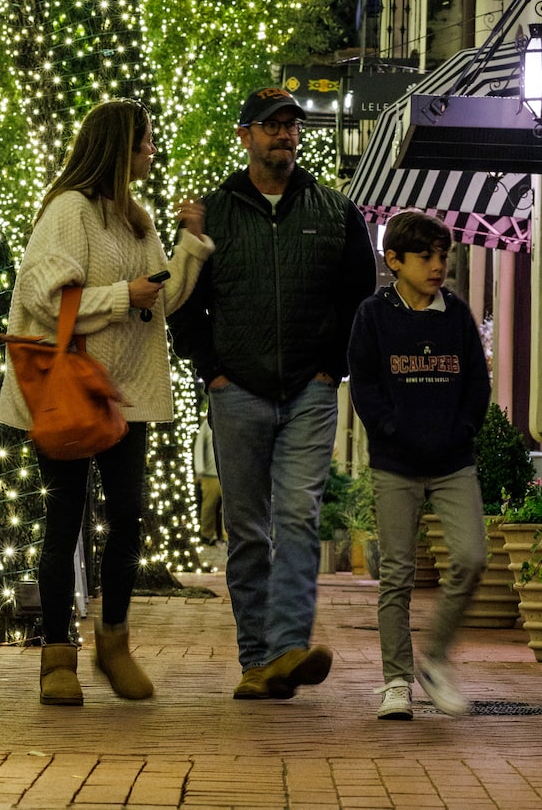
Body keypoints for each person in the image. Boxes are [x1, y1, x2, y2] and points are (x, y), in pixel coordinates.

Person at [0, 98, 213, 707]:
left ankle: (114, 643)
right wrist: (124, 295)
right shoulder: (69, 211)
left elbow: (158, 302)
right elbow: (47, 298)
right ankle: (56, 655)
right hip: (71, 389)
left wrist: (188, 246)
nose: (151, 150)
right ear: (119, 147)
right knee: (64, 521)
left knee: (127, 518)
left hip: (127, 394)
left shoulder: (134, 220)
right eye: (144, 140)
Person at [169, 85, 378, 701]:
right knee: (249, 529)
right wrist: (211, 371)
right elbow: (183, 303)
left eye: (290, 125)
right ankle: (256, 660)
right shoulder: (214, 213)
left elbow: (357, 300)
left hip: (310, 394)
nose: (283, 135)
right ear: (245, 137)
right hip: (237, 393)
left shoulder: (336, 212)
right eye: (270, 126)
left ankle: (287, 648)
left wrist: (330, 368)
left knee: (296, 517)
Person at [348, 209, 490, 722]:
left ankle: (435, 660)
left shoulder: (455, 316)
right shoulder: (373, 315)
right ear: (394, 261)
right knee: (398, 575)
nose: (438, 265)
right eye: (426, 256)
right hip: (396, 464)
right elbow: (365, 386)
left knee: (473, 557)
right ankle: (395, 681)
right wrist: (393, 431)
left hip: (453, 462)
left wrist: (463, 431)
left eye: (443, 255)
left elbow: (478, 384)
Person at [193, 404, 223, 547]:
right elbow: (199, 447)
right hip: (210, 475)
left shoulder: (233, 421)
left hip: (228, 474)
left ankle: (227, 536)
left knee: (230, 509)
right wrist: (200, 470)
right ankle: (206, 534)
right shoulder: (206, 425)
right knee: (209, 507)